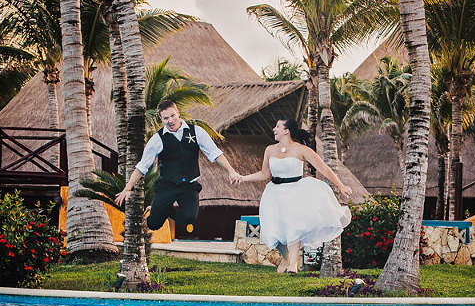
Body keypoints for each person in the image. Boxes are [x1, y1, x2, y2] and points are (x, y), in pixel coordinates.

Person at [239, 119, 352, 273]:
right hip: (274, 193)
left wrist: (341, 185)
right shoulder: (270, 150)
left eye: (277, 127)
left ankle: (292, 264)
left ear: (286, 131)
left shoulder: (301, 149)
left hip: (295, 191)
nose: (274, 129)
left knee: (293, 227)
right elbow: (264, 174)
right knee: (271, 231)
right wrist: (243, 178)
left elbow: (323, 168)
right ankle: (285, 257)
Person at [115, 100, 241, 232]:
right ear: (161, 119)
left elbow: (215, 154)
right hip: (167, 186)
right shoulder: (158, 139)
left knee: (189, 218)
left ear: (178, 113)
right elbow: (142, 167)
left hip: (189, 186)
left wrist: (231, 170)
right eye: (166, 118)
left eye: (172, 116)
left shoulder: (196, 132)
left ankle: (165, 209)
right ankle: (159, 209)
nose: (170, 120)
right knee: (154, 224)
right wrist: (127, 188)